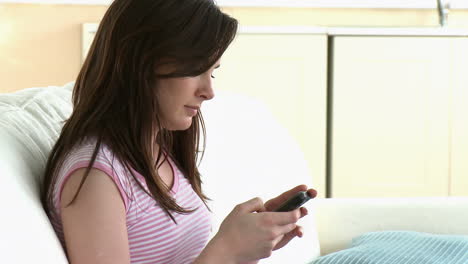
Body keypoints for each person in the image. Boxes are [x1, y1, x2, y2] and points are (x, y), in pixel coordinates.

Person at [40, 0, 317, 263]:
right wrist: (226, 250)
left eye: (212, 72)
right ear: (140, 62)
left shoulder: (155, 148)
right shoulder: (97, 178)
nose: (208, 92)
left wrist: (246, 248)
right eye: (195, 70)